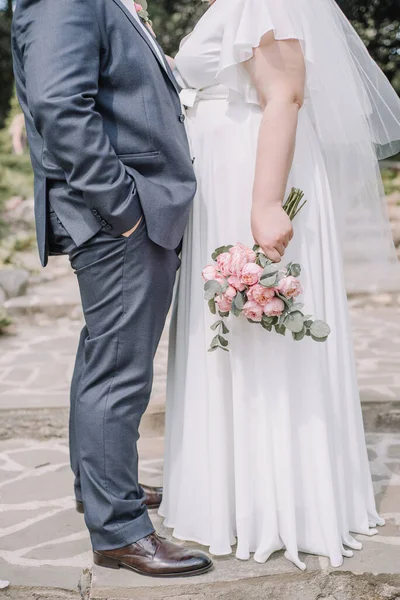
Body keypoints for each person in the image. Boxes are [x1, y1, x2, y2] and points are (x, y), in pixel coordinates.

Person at [160, 0, 400, 569]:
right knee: (234, 338)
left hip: (249, 176)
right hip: (225, 175)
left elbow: (285, 95)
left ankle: (276, 503)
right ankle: (230, 492)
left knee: (261, 338)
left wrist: (266, 203)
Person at [11, 0, 212, 578]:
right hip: (119, 214)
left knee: (106, 357)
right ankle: (120, 532)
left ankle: (100, 490)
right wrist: (124, 206)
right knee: (119, 372)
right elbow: (57, 105)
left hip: (124, 209)